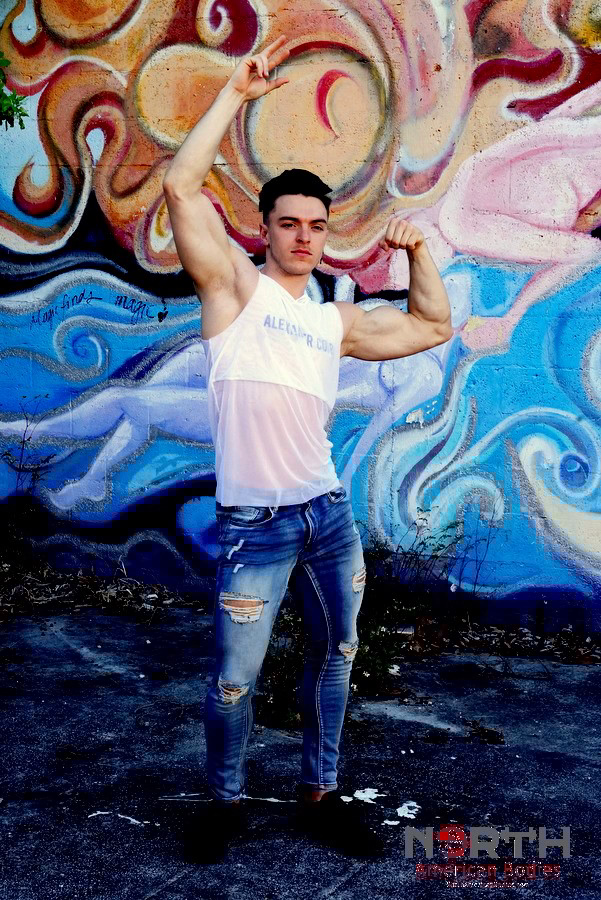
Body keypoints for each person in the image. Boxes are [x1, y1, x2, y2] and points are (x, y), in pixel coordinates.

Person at [162, 35, 452, 858]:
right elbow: (181, 186)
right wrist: (233, 94)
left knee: (336, 656)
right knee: (234, 679)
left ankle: (320, 794)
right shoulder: (234, 291)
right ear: (264, 228)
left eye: (316, 227)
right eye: (288, 223)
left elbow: (432, 324)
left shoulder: (335, 323)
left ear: (326, 237)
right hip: (254, 525)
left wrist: (420, 252)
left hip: (325, 518)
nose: (302, 237)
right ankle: (223, 803)